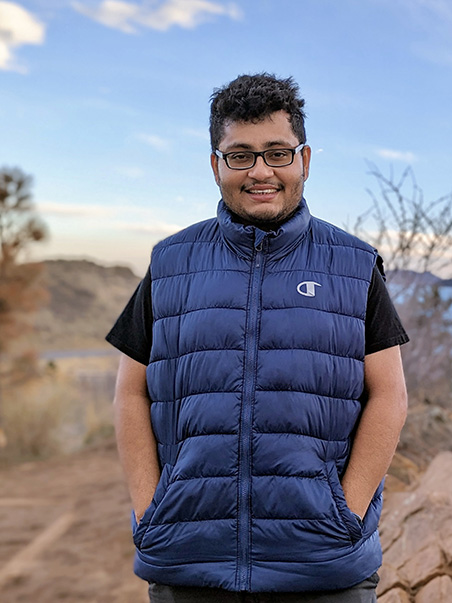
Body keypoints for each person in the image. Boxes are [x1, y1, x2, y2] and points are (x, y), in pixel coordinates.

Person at [106, 73, 409, 603]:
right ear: (216, 165)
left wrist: (348, 515)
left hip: (322, 568)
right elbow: (131, 391)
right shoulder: (170, 264)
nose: (261, 171)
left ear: (305, 160)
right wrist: (150, 507)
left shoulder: (356, 266)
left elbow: (389, 394)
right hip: (189, 563)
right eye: (240, 155)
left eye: (277, 152)